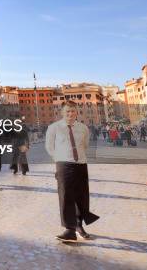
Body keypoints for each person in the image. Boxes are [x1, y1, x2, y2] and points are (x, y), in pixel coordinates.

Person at [46, 101, 100, 243]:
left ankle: (79, 225)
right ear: (62, 113)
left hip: (81, 164)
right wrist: (60, 158)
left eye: (73, 111)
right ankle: (69, 230)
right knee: (66, 196)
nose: (70, 114)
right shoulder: (54, 128)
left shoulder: (83, 128)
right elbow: (49, 147)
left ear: (77, 112)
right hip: (64, 165)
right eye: (67, 111)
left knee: (81, 196)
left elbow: (85, 144)